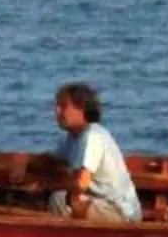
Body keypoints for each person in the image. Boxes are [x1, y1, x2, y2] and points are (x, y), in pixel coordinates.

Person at [44, 83, 140, 222]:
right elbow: (53, 160)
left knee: (60, 199)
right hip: (102, 203)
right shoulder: (73, 137)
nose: (57, 112)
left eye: (63, 106)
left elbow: (81, 183)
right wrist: (25, 162)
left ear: (81, 108)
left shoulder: (92, 136)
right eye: (57, 106)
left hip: (119, 211)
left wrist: (46, 186)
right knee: (63, 197)